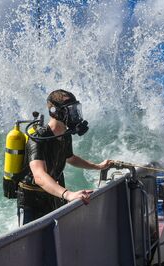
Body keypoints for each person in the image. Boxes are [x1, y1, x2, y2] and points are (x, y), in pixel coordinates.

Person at [17, 89, 112, 225]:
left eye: (75, 109)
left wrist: (97, 166)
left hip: (52, 195)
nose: (75, 114)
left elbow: (70, 157)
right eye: (71, 110)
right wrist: (68, 194)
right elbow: (39, 176)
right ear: (57, 112)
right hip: (31, 201)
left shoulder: (65, 135)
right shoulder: (38, 138)